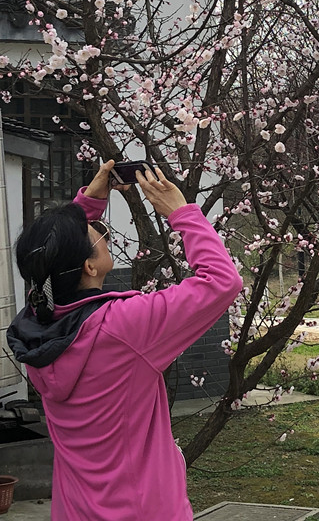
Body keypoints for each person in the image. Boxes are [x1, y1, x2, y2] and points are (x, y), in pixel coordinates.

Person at [6, 160, 243, 521]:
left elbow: (48, 264)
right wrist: (182, 213)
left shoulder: (34, 327)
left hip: (75, 510)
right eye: (95, 231)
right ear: (89, 266)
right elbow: (222, 282)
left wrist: (88, 203)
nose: (101, 231)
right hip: (143, 510)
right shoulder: (123, 328)